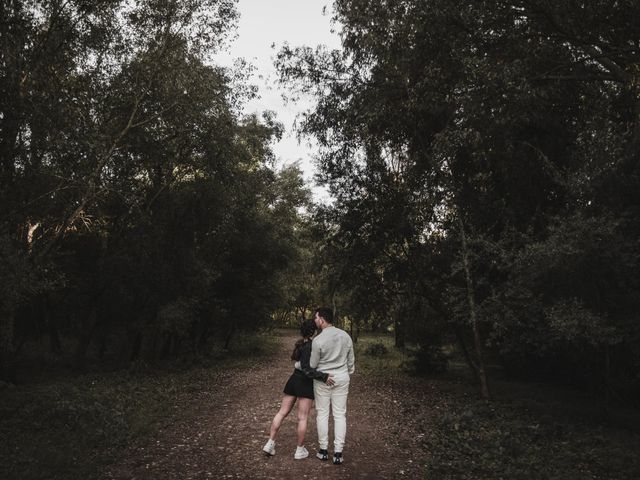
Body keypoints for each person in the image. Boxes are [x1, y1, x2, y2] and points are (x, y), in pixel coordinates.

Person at [262, 319, 334, 460]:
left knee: (282, 413)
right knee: (302, 418)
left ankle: (270, 444)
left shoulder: (301, 344)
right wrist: (324, 376)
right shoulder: (312, 346)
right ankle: (299, 450)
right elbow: (308, 370)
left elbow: (301, 365)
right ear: (314, 331)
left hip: (293, 380)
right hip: (305, 383)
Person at [310, 307, 355, 465]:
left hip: (323, 379)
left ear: (322, 319)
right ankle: (338, 453)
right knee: (339, 414)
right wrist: (346, 373)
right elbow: (351, 361)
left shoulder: (318, 340)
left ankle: (323, 451)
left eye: (316, 318)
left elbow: (313, 364)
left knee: (322, 414)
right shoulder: (345, 336)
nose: (315, 321)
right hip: (342, 377)